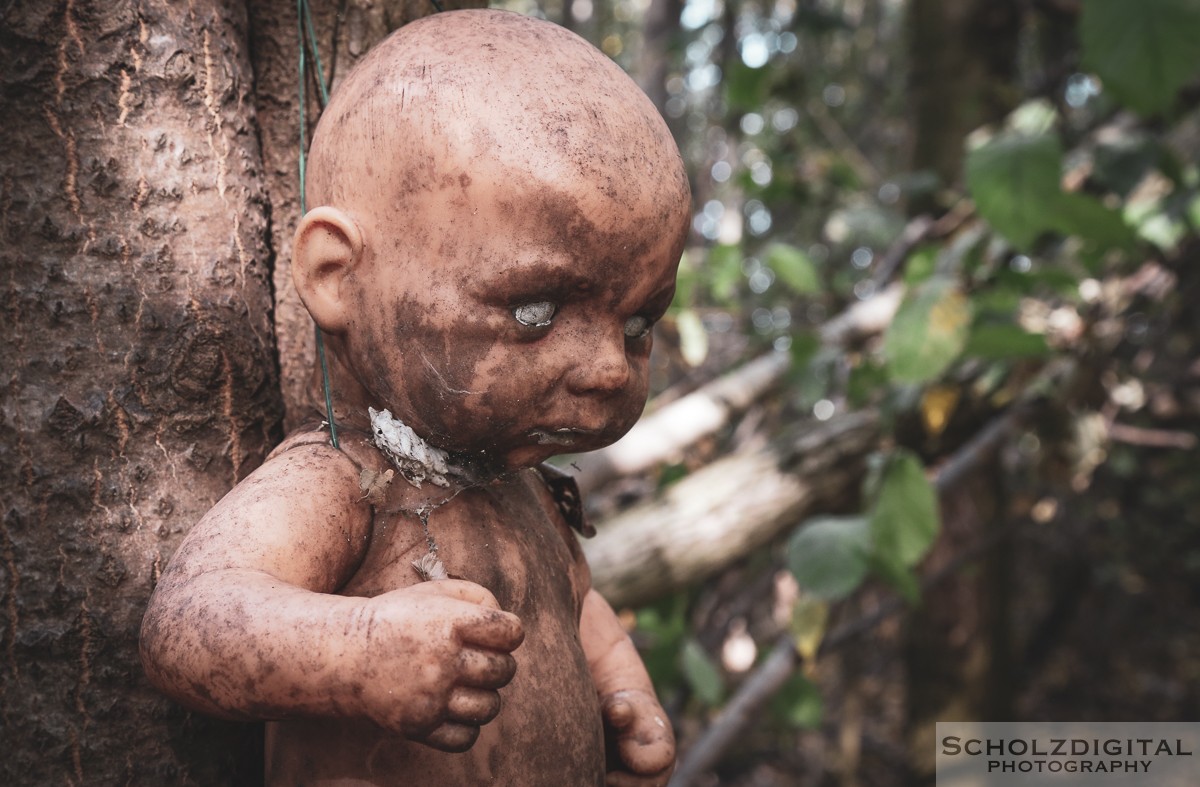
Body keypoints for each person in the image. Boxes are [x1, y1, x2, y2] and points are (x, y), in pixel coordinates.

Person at [140, 8, 691, 785]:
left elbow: (577, 613)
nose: (607, 367)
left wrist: (624, 693)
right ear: (337, 277)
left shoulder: (526, 493)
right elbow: (188, 624)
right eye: (535, 311)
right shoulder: (340, 481)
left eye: (638, 322)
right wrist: (360, 649)